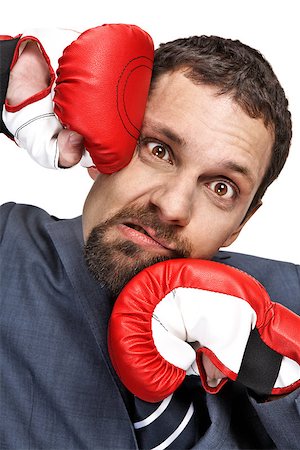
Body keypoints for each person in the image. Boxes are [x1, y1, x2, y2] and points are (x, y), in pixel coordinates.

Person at [0, 28, 299, 450]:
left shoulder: (288, 299)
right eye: (158, 150)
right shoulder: (6, 250)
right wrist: (11, 73)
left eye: (221, 187)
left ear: (240, 223)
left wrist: (272, 373)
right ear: (107, 136)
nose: (174, 206)